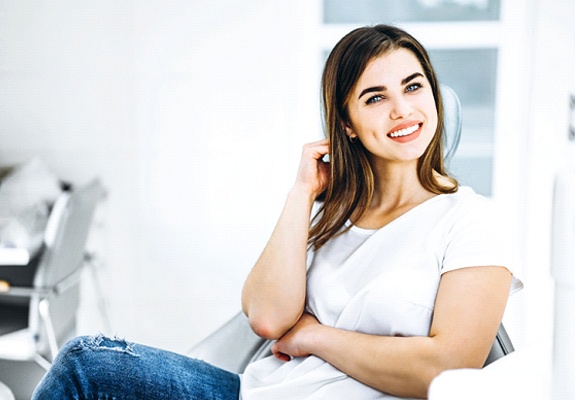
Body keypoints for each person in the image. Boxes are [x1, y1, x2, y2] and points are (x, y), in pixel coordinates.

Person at [32, 24, 522, 400]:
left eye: (413, 87)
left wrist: (315, 336)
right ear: (346, 125)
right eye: (376, 98)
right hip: (257, 391)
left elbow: (449, 369)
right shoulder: (334, 217)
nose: (402, 110)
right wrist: (303, 191)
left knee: (84, 363)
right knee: (86, 362)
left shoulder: (470, 221)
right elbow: (266, 318)